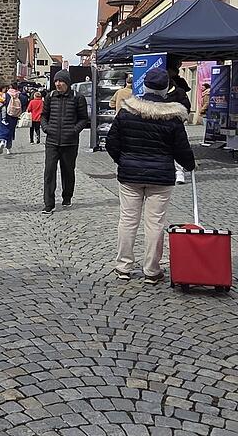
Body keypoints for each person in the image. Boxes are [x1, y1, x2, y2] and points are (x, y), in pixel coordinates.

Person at [106, 68, 195, 284]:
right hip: (161, 176)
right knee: (155, 223)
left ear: (144, 86)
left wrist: (123, 160)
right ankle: (152, 270)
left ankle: (123, 266)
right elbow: (181, 149)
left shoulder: (127, 111)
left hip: (130, 175)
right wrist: (189, 165)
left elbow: (111, 143)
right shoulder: (173, 116)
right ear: (166, 89)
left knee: (127, 220)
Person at [40, 70, 89, 214]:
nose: (57, 84)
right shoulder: (50, 97)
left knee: (68, 171)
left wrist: (74, 131)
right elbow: (44, 115)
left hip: (70, 142)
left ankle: (67, 196)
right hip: (52, 141)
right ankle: (49, 204)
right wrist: (46, 128)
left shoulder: (77, 98)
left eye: (60, 81)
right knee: (49, 172)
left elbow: (83, 119)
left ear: (67, 82)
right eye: (56, 81)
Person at [165, 70, 192, 185]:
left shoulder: (179, 92)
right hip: (164, 124)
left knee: (177, 146)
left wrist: (180, 117)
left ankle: (179, 173)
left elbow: (186, 106)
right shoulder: (158, 93)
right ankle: (173, 171)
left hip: (174, 123)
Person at [0, 82, 27, 154]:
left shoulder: (5, 95)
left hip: (5, 114)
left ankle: (2, 141)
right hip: (14, 115)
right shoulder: (19, 95)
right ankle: (8, 148)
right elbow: (25, 102)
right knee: (11, 130)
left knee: (3, 128)